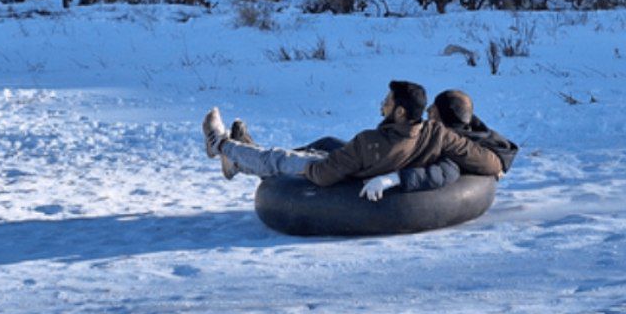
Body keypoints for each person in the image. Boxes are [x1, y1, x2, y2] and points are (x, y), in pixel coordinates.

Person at [201, 81, 502, 193]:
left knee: (281, 160)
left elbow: (323, 174)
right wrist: (496, 168)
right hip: (366, 163)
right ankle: (239, 159)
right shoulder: (437, 134)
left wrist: (303, 170)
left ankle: (220, 145)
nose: (383, 103)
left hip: (349, 175)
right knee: (324, 142)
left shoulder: (370, 142)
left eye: (388, 100)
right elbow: (488, 161)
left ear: (398, 112)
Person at [360, 89, 519, 200]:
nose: (427, 111)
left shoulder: (449, 146)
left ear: (443, 117)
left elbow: (441, 173)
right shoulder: (462, 131)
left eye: (433, 110)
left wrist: (393, 179)